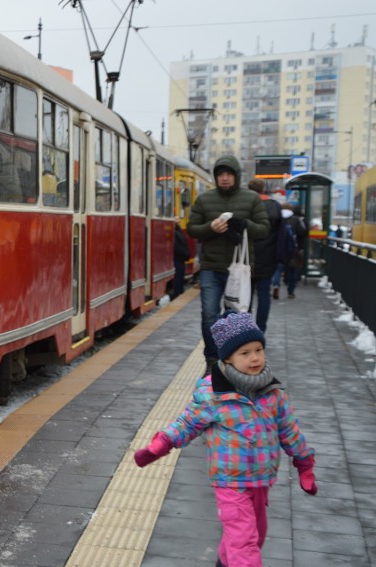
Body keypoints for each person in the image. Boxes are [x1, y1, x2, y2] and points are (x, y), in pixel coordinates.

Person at [133, 312, 317, 567]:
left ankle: (223, 563)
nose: (255, 358)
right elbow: (187, 423)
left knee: (256, 535)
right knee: (243, 541)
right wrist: (161, 444)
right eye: (245, 353)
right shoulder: (212, 395)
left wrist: (304, 462)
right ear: (228, 358)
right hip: (229, 482)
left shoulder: (273, 393)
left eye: (258, 349)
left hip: (261, 480)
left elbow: (289, 430)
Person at [187, 155, 270, 373]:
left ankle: (235, 362)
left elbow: (264, 229)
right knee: (209, 315)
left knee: (239, 317)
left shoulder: (251, 198)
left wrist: (245, 225)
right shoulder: (204, 199)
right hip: (211, 267)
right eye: (220, 175)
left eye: (228, 174)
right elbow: (192, 228)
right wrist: (210, 228)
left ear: (236, 176)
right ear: (216, 177)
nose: (224, 179)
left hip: (240, 271)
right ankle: (213, 360)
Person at [246, 179, 281, 332]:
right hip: (268, 256)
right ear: (264, 190)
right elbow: (281, 233)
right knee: (263, 294)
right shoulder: (274, 206)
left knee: (246, 295)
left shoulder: (246, 205)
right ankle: (260, 330)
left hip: (247, 256)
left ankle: (246, 329)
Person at [272, 205, 307, 299]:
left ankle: (276, 285)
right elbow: (302, 232)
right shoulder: (296, 220)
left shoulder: (277, 219)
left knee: (278, 269)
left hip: (279, 249)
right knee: (292, 270)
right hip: (292, 250)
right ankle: (290, 291)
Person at [170, 223, 190, 299]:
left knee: (177, 276)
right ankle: (180, 291)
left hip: (177, 258)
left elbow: (175, 247)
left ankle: (177, 293)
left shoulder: (175, 234)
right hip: (182, 258)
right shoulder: (180, 233)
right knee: (180, 275)